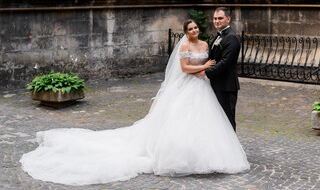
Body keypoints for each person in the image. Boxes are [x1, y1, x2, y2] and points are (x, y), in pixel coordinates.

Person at [20, 19, 250, 186]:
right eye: (190, 29)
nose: (194, 30)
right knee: (181, 120)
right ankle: (179, 157)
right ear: (185, 32)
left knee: (205, 121)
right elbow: (184, 68)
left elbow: (215, 60)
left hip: (203, 88)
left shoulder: (205, 44)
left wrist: (207, 69)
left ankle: (206, 154)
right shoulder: (184, 46)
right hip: (190, 85)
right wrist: (203, 68)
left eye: (196, 27)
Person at [195, 7, 240, 131]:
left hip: (226, 86)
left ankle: (232, 149)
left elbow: (225, 62)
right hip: (216, 84)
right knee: (217, 120)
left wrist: (205, 72)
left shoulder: (232, 38)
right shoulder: (219, 36)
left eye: (220, 18)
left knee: (227, 120)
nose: (217, 21)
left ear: (228, 19)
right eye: (215, 18)